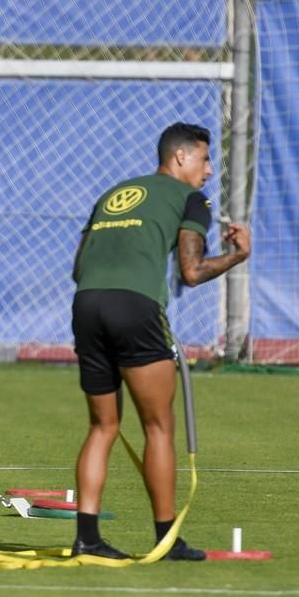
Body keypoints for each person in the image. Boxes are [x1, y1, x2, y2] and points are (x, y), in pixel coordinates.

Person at [69, 122, 250, 560]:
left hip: (86, 304)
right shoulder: (192, 198)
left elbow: (79, 265)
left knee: (102, 426)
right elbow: (191, 271)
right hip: (136, 309)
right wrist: (238, 255)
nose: (209, 172)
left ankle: (86, 539)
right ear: (181, 157)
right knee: (159, 426)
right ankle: (166, 540)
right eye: (206, 160)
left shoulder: (115, 193)